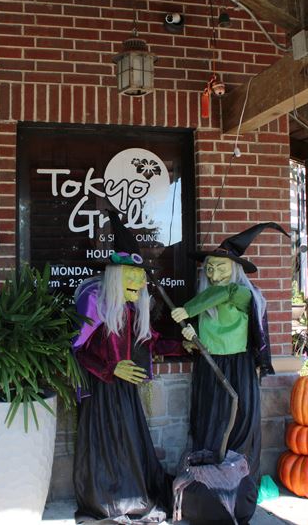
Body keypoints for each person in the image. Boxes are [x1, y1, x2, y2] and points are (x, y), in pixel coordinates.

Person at [72, 214, 187, 524]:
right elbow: (76, 350)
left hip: (126, 389)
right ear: (116, 275)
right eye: (132, 274)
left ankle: (131, 496)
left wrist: (184, 346)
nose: (140, 281)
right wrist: (110, 369)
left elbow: (150, 343)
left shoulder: (134, 307)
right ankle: (108, 502)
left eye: (142, 275)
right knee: (107, 447)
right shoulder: (94, 300)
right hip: (100, 389)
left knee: (130, 446)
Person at [170, 222, 287, 525]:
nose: (214, 274)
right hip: (209, 370)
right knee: (209, 423)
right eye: (209, 268)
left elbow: (224, 294)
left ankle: (237, 493)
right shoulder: (206, 297)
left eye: (221, 267)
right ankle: (207, 494)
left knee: (236, 427)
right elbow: (203, 332)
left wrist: (188, 309)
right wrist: (192, 339)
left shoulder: (241, 293)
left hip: (238, 369)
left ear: (234, 269)